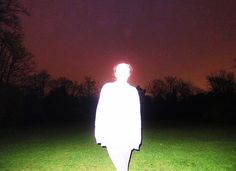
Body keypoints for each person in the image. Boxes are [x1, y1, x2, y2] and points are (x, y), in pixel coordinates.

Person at [95, 63, 142, 171]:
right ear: (115, 73)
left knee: (123, 167)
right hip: (111, 131)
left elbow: (136, 115)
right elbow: (101, 110)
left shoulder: (133, 91)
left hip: (128, 133)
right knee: (121, 167)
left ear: (129, 74)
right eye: (120, 70)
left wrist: (137, 137)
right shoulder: (107, 88)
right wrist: (99, 131)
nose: (123, 72)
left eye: (126, 70)